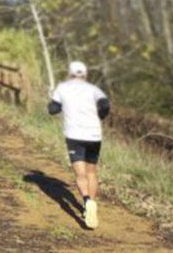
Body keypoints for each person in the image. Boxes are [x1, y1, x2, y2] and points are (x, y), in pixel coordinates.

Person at [48, 61, 110, 230]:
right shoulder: (93, 89)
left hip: (74, 135)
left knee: (80, 173)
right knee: (91, 171)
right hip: (94, 135)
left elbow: (52, 109)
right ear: (85, 74)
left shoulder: (63, 88)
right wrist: (100, 115)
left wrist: (56, 102)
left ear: (70, 73)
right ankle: (92, 203)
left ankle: (87, 201)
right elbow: (105, 106)